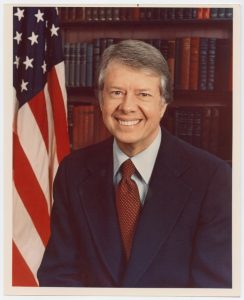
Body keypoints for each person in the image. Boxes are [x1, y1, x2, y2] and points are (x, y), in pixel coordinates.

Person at [37, 40, 232, 288]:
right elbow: (58, 278)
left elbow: (214, 289)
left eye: (143, 94)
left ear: (163, 103)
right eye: (116, 92)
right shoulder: (72, 172)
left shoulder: (213, 179)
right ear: (100, 99)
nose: (127, 107)